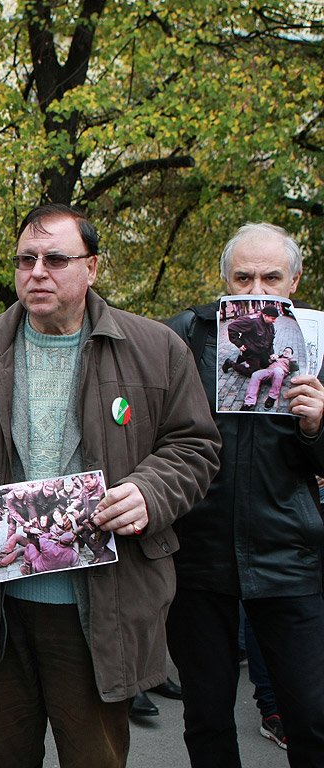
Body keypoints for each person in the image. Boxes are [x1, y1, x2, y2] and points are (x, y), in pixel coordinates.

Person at [0, 204, 221, 768]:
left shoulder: (156, 350)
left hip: (100, 605)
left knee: (94, 758)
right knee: (0, 756)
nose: (37, 272)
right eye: (26, 259)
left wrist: (149, 491)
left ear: (92, 267)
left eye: (56, 259)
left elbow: (195, 448)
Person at [165, 221, 324, 768]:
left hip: (289, 555)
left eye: (271, 277)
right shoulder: (186, 336)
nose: (256, 290)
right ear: (225, 279)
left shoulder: (316, 344)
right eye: (244, 277)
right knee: (206, 717)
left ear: (295, 280)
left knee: (311, 715)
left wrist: (315, 427)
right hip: (199, 554)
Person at [221, 303, 279, 376]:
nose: (274, 321)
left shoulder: (270, 324)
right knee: (253, 372)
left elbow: (270, 340)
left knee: (266, 364)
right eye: (273, 318)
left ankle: (242, 358)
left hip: (261, 350)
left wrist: (271, 353)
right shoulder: (252, 321)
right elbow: (232, 327)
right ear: (265, 315)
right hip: (251, 351)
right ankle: (230, 363)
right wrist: (239, 344)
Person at [240, 346, 297, 411]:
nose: (286, 352)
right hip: (268, 372)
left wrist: (291, 358)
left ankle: (272, 397)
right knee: (255, 374)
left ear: (291, 354)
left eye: (288, 352)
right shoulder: (277, 357)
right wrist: (271, 360)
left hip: (278, 376)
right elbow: (265, 364)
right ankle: (249, 403)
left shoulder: (291, 361)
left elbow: (296, 368)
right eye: (285, 351)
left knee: (278, 370)